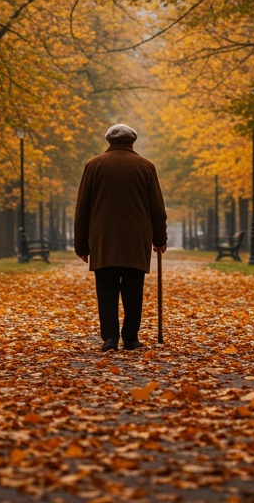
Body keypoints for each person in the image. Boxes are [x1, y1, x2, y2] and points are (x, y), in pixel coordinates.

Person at [74, 124, 167, 351]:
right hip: (136, 239)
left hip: (103, 239)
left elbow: (82, 208)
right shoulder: (146, 167)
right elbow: (157, 207)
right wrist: (159, 239)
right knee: (133, 290)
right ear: (132, 141)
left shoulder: (94, 166)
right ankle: (131, 337)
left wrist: (81, 245)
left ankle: (110, 338)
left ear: (109, 140)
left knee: (106, 290)